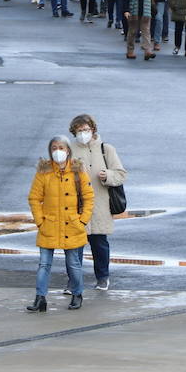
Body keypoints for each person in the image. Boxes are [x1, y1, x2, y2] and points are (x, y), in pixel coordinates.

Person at [26, 135, 93, 311]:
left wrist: (83, 220)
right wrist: (40, 221)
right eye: (54, 148)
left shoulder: (78, 172)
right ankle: (40, 298)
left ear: (68, 150)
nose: (58, 151)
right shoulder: (44, 172)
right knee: (44, 264)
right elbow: (34, 198)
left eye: (61, 148)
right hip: (49, 225)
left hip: (72, 225)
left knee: (73, 264)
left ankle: (77, 294)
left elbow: (88, 197)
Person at [67, 115, 127, 291]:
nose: (83, 133)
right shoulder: (69, 149)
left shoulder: (106, 149)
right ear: (74, 132)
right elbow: (59, 175)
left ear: (93, 130)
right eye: (79, 130)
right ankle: (73, 281)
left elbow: (121, 174)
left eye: (86, 130)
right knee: (75, 246)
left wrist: (107, 175)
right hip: (76, 205)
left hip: (100, 204)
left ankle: (102, 277)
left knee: (99, 243)